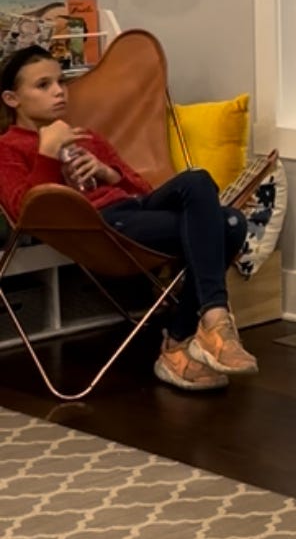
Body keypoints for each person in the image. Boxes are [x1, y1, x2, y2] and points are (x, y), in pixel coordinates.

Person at [0, 44, 258, 393]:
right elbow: (28, 214)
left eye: (61, 82)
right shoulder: (7, 148)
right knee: (229, 224)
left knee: (197, 181)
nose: (59, 91)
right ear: (12, 99)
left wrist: (107, 173)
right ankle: (189, 335)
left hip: (135, 211)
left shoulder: (87, 136)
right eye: (43, 85)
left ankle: (207, 323)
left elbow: (141, 189)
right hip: (100, 228)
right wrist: (47, 151)